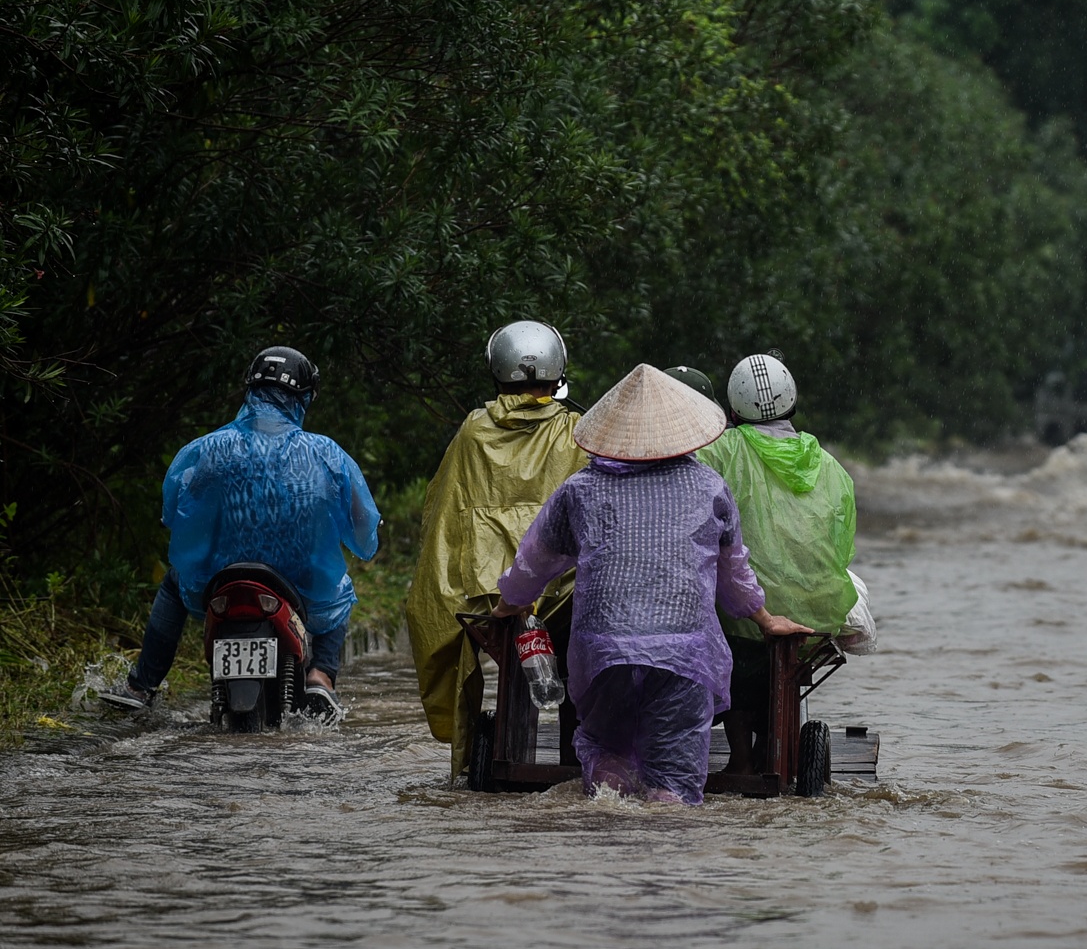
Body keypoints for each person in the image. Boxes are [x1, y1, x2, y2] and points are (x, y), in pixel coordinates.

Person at [491, 364, 810, 802]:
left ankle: (607, 845)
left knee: (607, 759)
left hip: (604, 650)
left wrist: (510, 603)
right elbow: (733, 575)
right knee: (673, 787)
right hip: (684, 654)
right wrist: (764, 618)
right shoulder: (709, 487)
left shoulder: (581, 489)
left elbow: (535, 562)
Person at [101, 347, 380, 718]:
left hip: (219, 579)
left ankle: (141, 687)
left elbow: (174, 512)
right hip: (302, 585)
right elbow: (364, 531)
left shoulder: (207, 449)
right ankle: (321, 678)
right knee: (340, 588)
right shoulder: (327, 453)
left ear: (249, 390)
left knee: (173, 583)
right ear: (305, 397)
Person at [405, 321, 588, 777]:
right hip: (563, 595)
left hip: (487, 598)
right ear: (558, 370)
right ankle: (577, 766)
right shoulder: (578, 430)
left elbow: (444, 514)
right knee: (575, 667)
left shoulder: (473, 430)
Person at [695, 352, 859, 775]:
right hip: (817, 617)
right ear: (792, 404)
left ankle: (741, 757)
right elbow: (842, 552)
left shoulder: (719, 451)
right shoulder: (833, 468)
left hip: (750, 620)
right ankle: (774, 743)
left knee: (723, 603)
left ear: (732, 411)